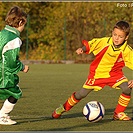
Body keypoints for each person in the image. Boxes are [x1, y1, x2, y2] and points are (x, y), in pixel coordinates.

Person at [52, 20, 133, 121]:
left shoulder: (127, 51)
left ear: (126, 37)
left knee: (127, 88)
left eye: (120, 36)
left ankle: (118, 113)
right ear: (112, 32)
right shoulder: (104, 42)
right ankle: (63, 108)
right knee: (81, 94)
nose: (116, 38)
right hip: (97, 74)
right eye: (115, 34)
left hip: (114, 74)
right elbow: (91, 44)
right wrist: (83, 49)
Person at [0, 6, 29, 125]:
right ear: (20, 22)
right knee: (15, 93)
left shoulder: (2, 33)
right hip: (4, 73)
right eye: (24, 24)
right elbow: (11, 62)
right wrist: (22, 67)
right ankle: (3, 116)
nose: (24, 27)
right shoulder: (14, 39)